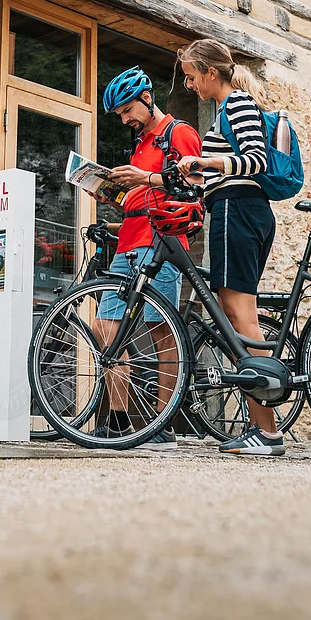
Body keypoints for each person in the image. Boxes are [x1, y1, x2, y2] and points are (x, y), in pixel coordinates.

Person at [174, 39, 285, 456]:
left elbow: (255, 160)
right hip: (236, 210)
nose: (189, 85)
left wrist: (206, 163)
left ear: (210, 72)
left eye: (191, 76)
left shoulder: (236, 103)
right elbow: (227, 167)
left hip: (237, 211)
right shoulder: (228, 109)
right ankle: (264, 428)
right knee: (240, 316)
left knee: (240, 318)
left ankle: (266, 432)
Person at [92, 66, 204, 450]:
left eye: (127, 110)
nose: (124, 120)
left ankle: (163, 423)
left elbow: (195, 184)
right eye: (119, 115)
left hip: (161, 241)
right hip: (127, 242)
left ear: (146, 98)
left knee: (161, 332)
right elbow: (140, 195)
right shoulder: (140, 143)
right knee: (105, 326)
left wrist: (144, 179)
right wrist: (109, 194)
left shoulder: (178, 133)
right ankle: (119, 419)